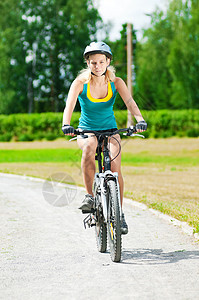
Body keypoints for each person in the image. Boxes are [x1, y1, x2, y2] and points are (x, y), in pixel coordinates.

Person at [62, 42, 147, 234]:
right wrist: (66, 124)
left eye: (101, 61)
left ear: (108, 61)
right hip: (86, 130)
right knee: (89, 147)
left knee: (115, 167)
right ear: (88, 63)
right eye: (93, 62)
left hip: (110, 130)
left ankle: (119, 214)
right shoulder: (80, 83)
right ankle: (90, 197)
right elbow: (69, 105)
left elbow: (130, 102)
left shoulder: (116, 83)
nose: (97, 66)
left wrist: (140, 120)